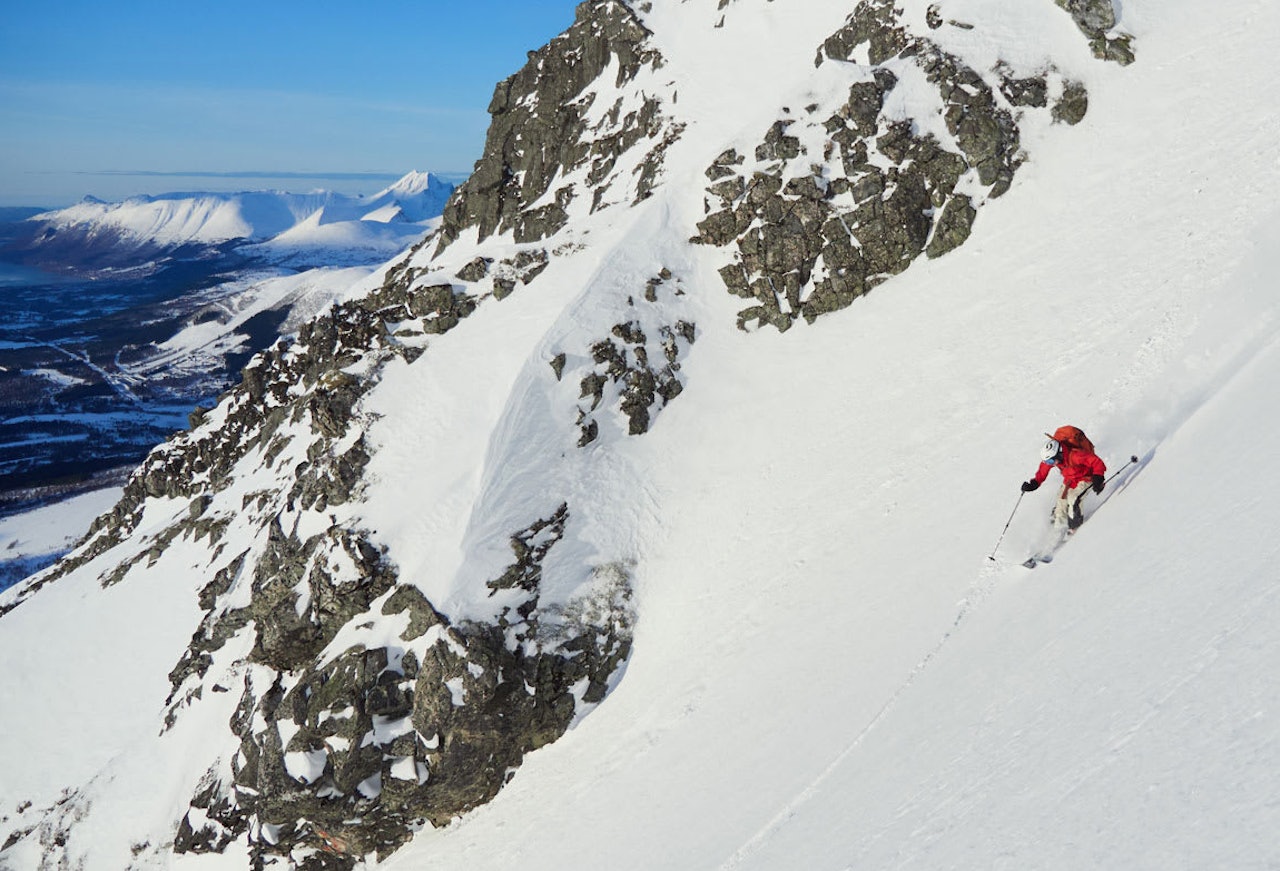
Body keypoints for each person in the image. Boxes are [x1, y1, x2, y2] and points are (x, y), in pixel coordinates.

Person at [1021, 426, 1106, 531]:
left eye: (1051, 461)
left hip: (1086, 478)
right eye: (1048, 462)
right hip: (1070, 480)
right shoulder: (1056, 458)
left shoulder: (1075, 456)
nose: (1050, 464)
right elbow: (1044, 468)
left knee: (1073, 499)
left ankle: (1074, 529)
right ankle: (1057, 530)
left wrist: (1098, 477)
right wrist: (1035, 483)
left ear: (1059, 454)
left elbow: (1096, 462)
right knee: (1061, 502)